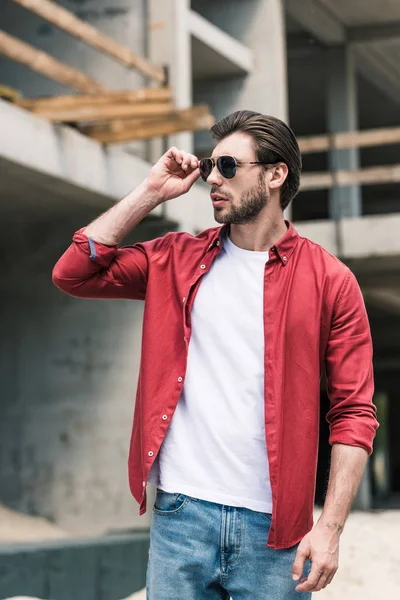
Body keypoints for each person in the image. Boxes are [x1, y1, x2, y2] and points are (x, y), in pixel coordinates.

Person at [53, 110, 378, 599]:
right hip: (181, 516)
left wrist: (329, 528)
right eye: (209, 165)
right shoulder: (175, 259)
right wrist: (151, 192)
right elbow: (75, 272)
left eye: (228, 165)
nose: (212, 178)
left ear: (275, 174)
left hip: (279, 532)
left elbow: (353, 413)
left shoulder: (331, 281)